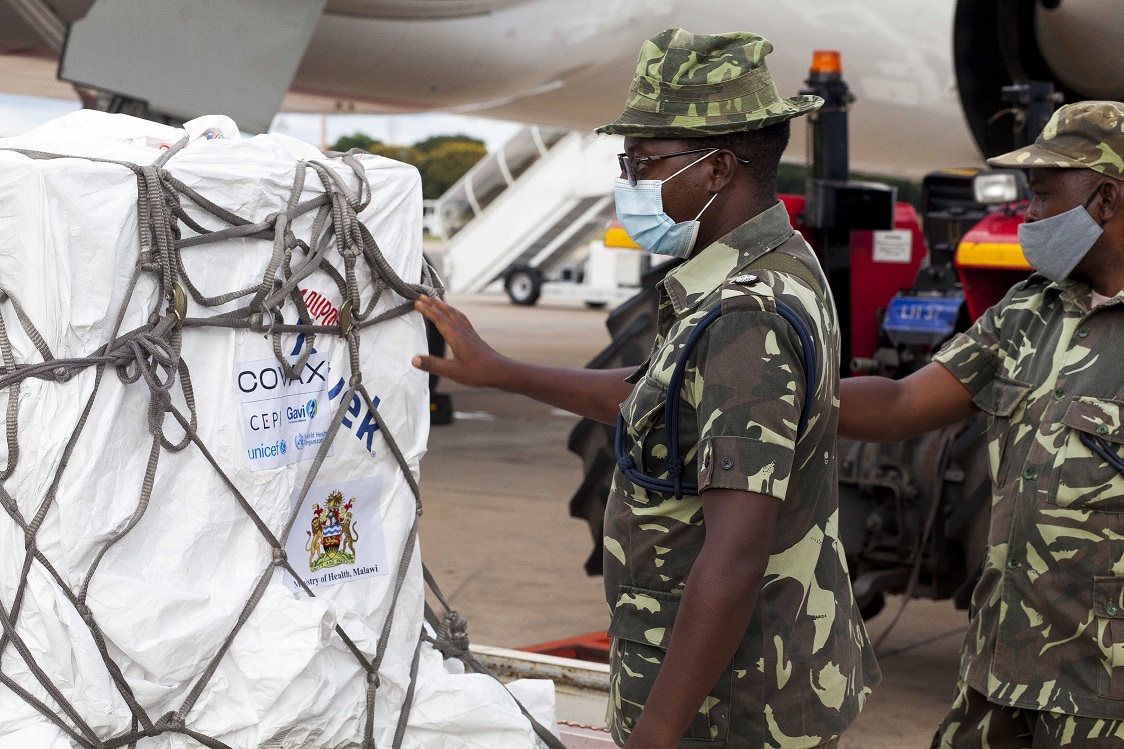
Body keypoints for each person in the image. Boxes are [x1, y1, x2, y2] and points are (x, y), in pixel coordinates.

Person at [414, 28, 879, 749]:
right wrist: (501, 369)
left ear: (719, 166)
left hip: (730, 711)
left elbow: (736, 550)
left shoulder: (743, 315)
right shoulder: (775, 264)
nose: (629, 178)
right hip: (747, 687)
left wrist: (654, 735)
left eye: (645, 160)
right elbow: (654, 401)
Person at [838, 100, 1124, 748]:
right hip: (998, 682)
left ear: (1103, 199)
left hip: (1103, 704)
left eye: (1043, 196)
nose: (1028, 216)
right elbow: (904, 404)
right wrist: (770, 396)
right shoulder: (1030, 312)